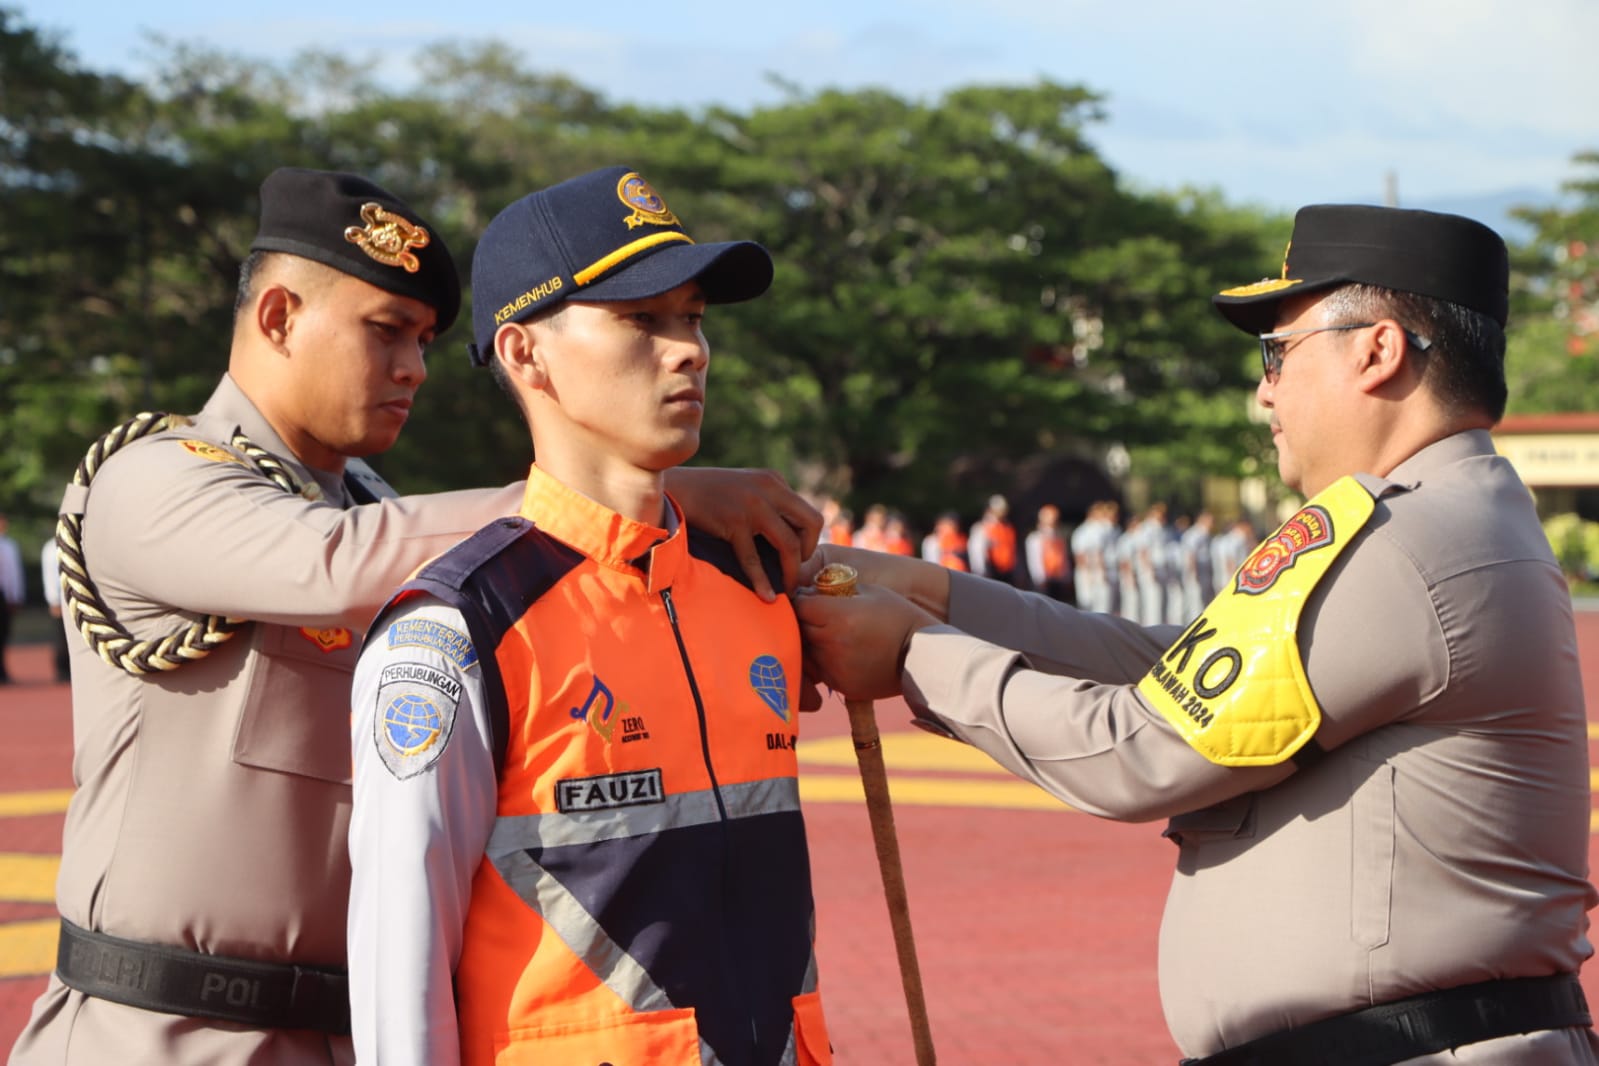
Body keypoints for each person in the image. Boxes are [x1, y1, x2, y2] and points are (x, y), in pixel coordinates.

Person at [9, 167, 820, 1066]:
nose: (414, 369)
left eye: (427, 339)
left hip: (347, 1031)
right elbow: (330, 561)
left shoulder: (379, 506)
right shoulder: (155, 478)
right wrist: (620, 487)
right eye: (386, 332)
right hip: (160, 1032)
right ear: (278, 317)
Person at [794, 204, 1599, 1063]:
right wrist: (938, 597)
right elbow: (1175, 668)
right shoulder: (1441, 523)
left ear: (1378, 349)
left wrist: (915, 656)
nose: (1263, 390)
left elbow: (1138, 749)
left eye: (1278, 352)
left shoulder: (1410, 544)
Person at [346, 166, 831, 1066]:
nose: (688, 350)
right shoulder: (457, 632)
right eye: (641, 320)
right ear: (525, 355)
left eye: (692, 319)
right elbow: (396, 969)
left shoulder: (758, 592)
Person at [1024, 503, 1073, 603]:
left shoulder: (1059, 537)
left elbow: (1063, 558)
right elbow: (1034, 559)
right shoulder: (1035, 538)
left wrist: (1066, 577)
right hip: (1044, 580)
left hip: (1058, 579)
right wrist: (1040, 578)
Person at [968, 493, 1018, 584]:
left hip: (1007, 572)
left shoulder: (1007, 527)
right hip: (991, 572)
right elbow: (977, 551)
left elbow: (1012, 549)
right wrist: (981, 572)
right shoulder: (981, 528)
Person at [39, 537, 69, 682]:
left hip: (74, 595)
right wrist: (53, 599)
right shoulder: (51, 547)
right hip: (60, 596)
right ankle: (62, 669)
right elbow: (49, 575)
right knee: (61, 637)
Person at [0, 512, 22, 683]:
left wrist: (14, 595)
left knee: (3, 634)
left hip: (2, 594)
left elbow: (12, 575)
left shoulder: (8, 545)